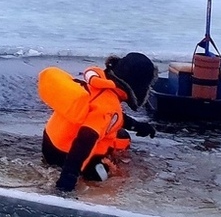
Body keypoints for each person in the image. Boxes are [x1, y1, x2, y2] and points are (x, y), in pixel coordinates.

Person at [40, 52, 158, 192]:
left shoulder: (98, 84)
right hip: (64, 155)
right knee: (120, 146)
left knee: (119, 134)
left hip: (49, 146)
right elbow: (85, 139)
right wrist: (69, 177)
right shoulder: (108, 106)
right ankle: (94, 173)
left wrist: (136, 125)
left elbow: (107, 117)